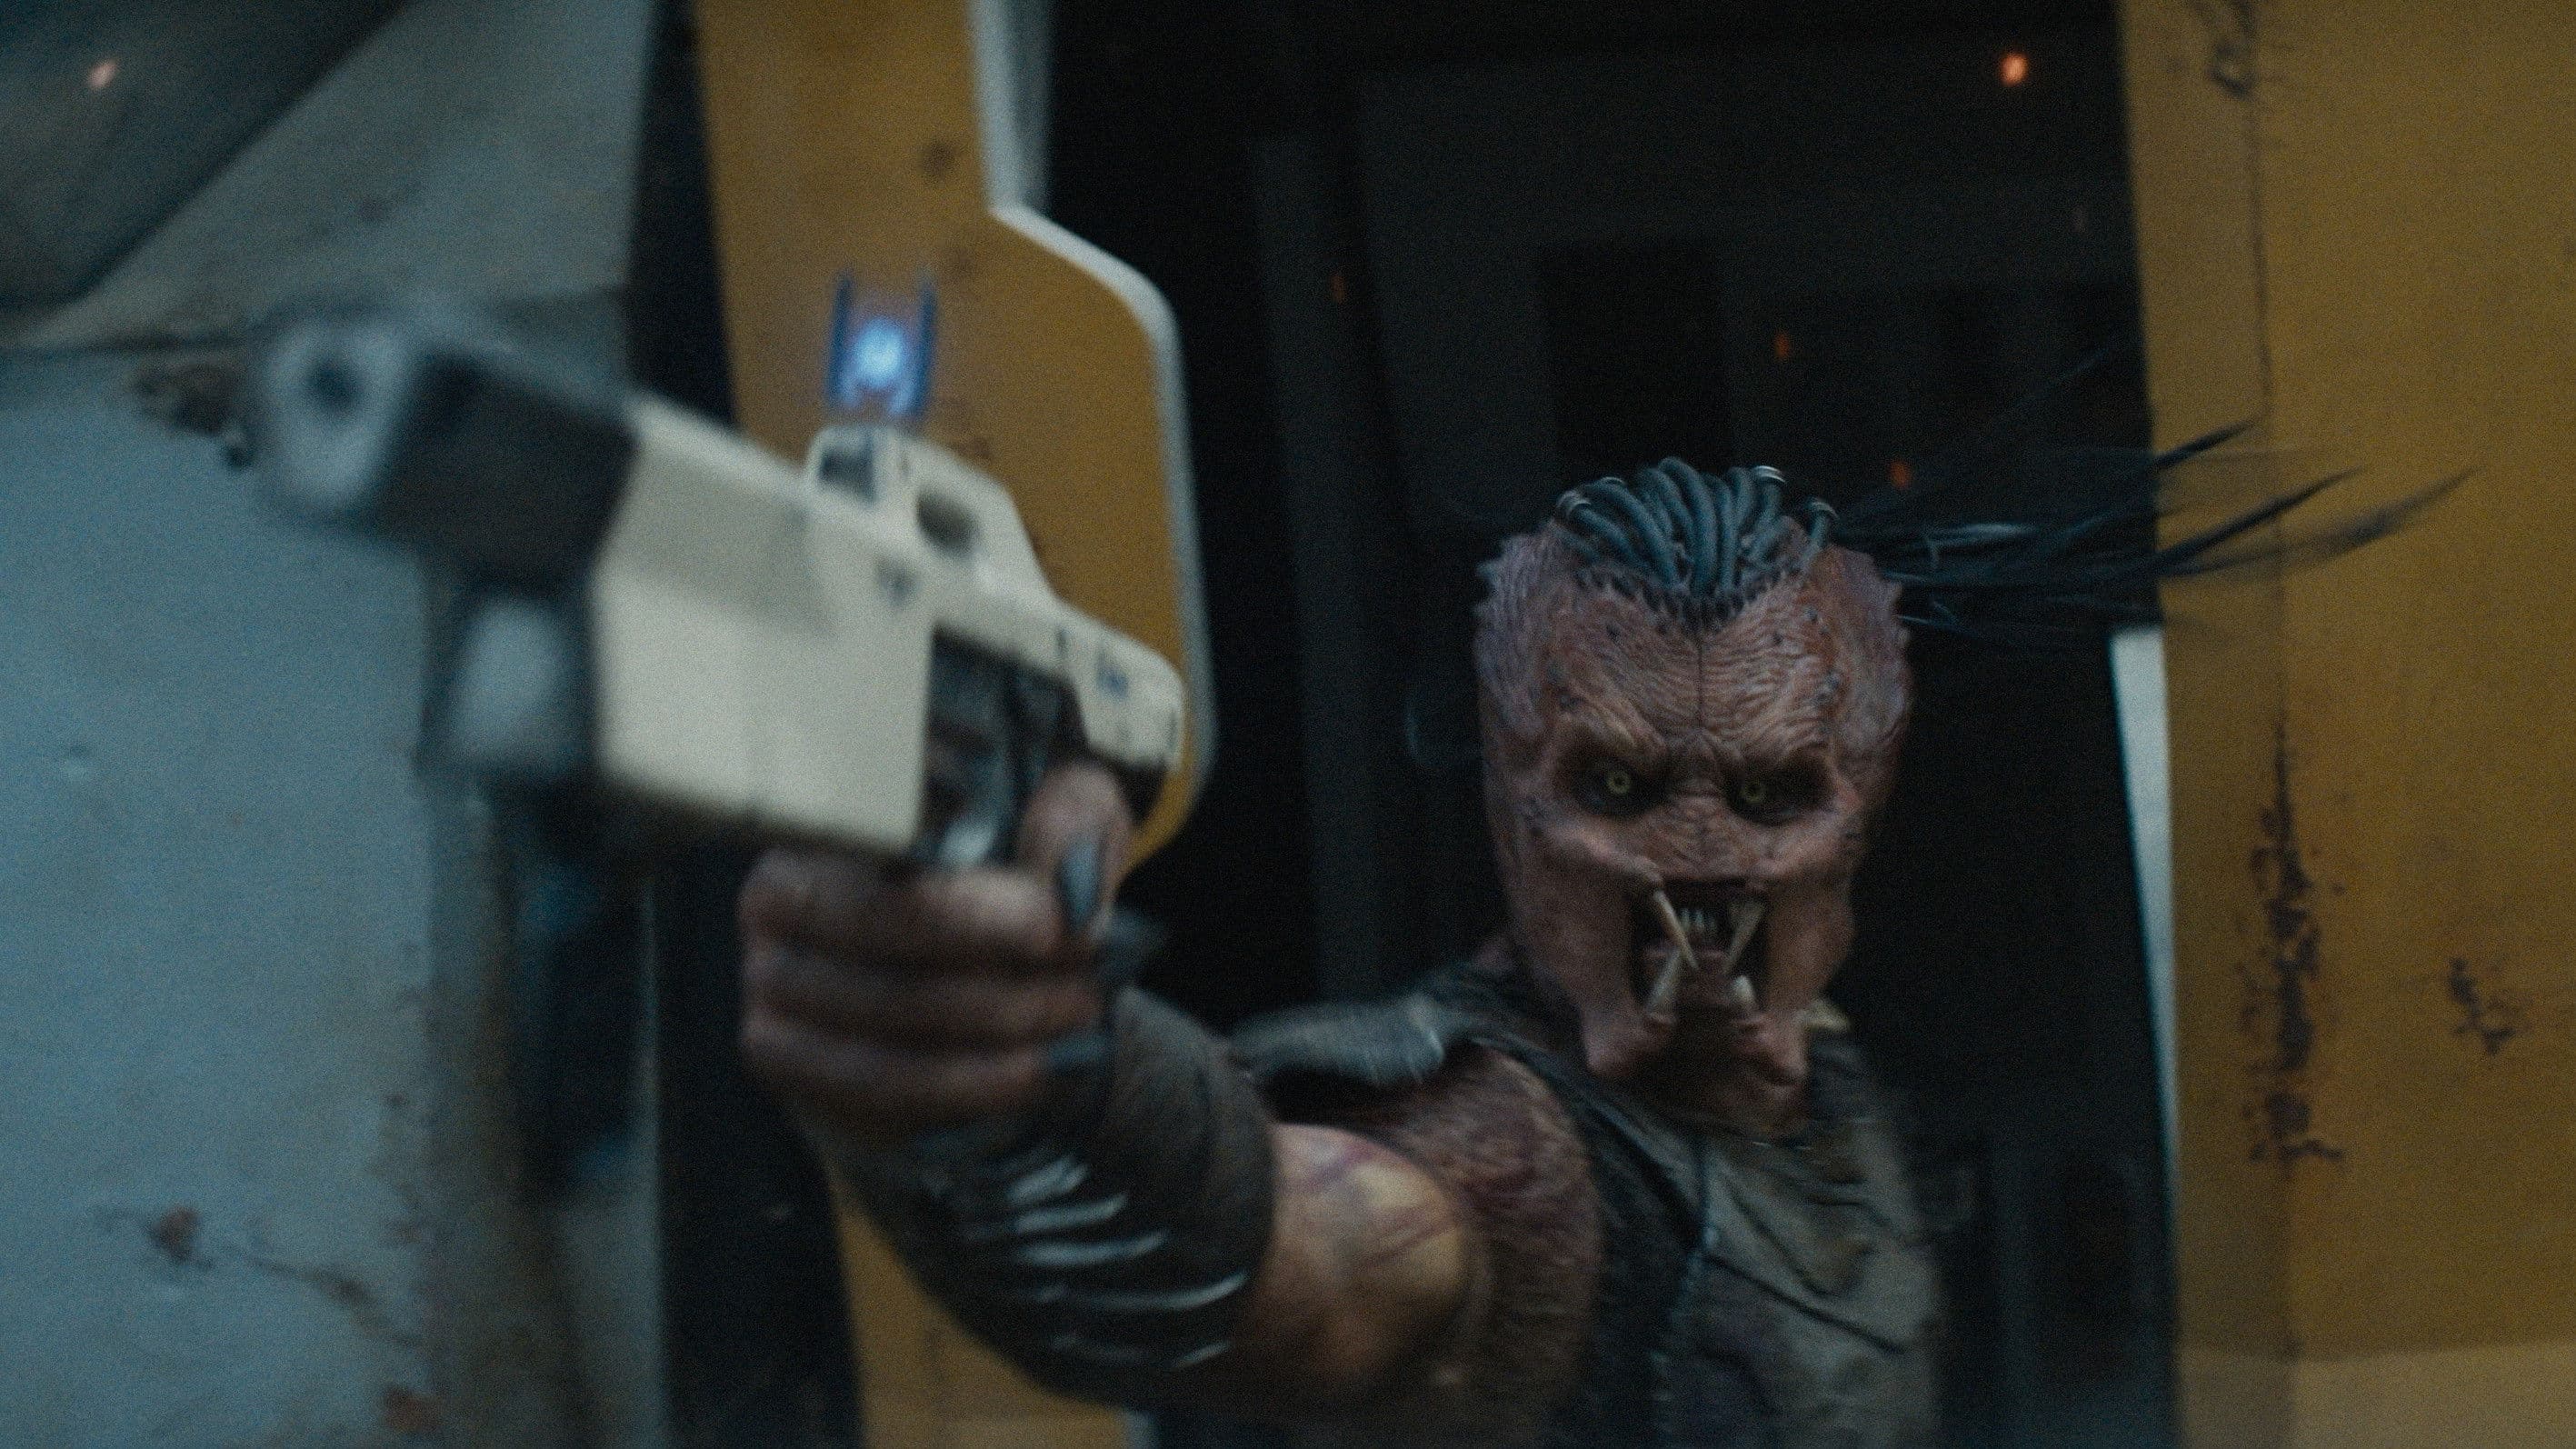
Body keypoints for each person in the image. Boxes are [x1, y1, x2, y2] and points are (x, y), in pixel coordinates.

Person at [738, 459, 1944, 1447]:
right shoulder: (1509, 1162)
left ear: (1868, 811)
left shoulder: (1817, 1048)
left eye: (1769, 793)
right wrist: (1027, 1062)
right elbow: (1299, 1260)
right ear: (1508, 798)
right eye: (1618, 787)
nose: (1697, 859)